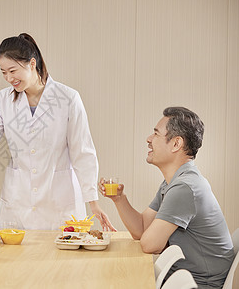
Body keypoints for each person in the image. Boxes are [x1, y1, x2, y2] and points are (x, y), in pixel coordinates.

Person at [0, 33, 115, 231]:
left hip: (59, 203)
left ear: (32, 63)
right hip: (18, 203)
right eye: (3, 72)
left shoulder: (67, 98)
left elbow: (82, 152)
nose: (9, 78)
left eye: (13, 70)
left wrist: (93, 202)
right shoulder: (3, 100)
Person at [99, 107, 234, 288]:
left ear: (176, 144)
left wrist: (155, 237)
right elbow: (141, 230)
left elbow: (150, 245)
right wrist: (119, 199)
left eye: (156, 134)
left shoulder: (184, 188)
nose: (148, 139)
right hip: (181, 279)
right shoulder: (173, 182)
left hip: (200, 284)